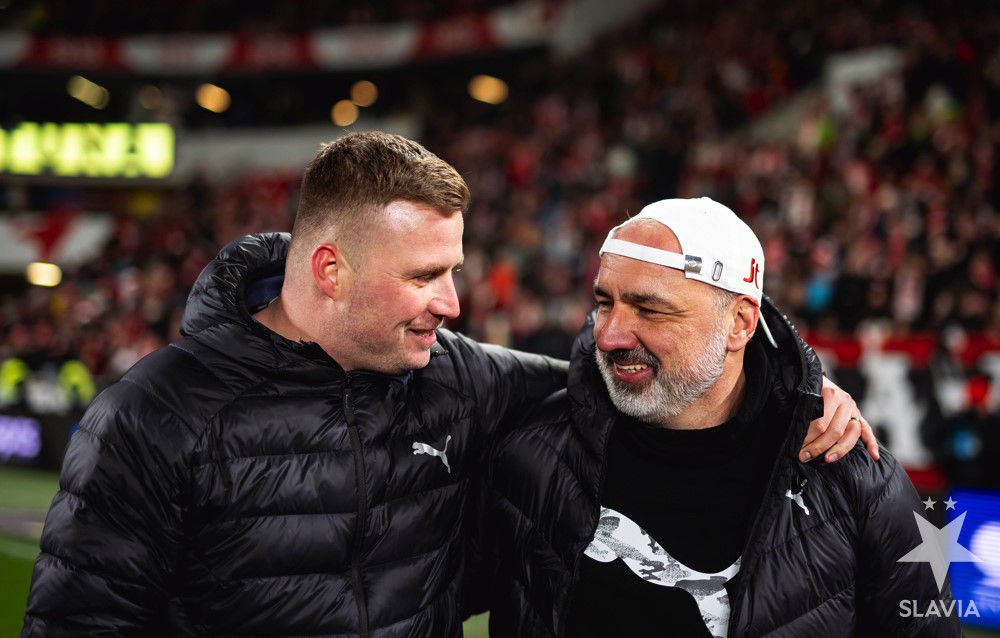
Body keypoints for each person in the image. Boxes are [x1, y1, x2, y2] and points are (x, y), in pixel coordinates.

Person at [23, 134, 873, 637]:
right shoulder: (152, 416)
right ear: (330, 269)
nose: (453, 303)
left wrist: (794, 387)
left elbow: (625, 376)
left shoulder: (456, 378)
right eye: (425, 276)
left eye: (453, 270)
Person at [484, 198, 960, 637]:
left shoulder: (857, 479)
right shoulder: (532, 451)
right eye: (605, 302)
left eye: (649, 309)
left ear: (739, 323)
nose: (608, 335)